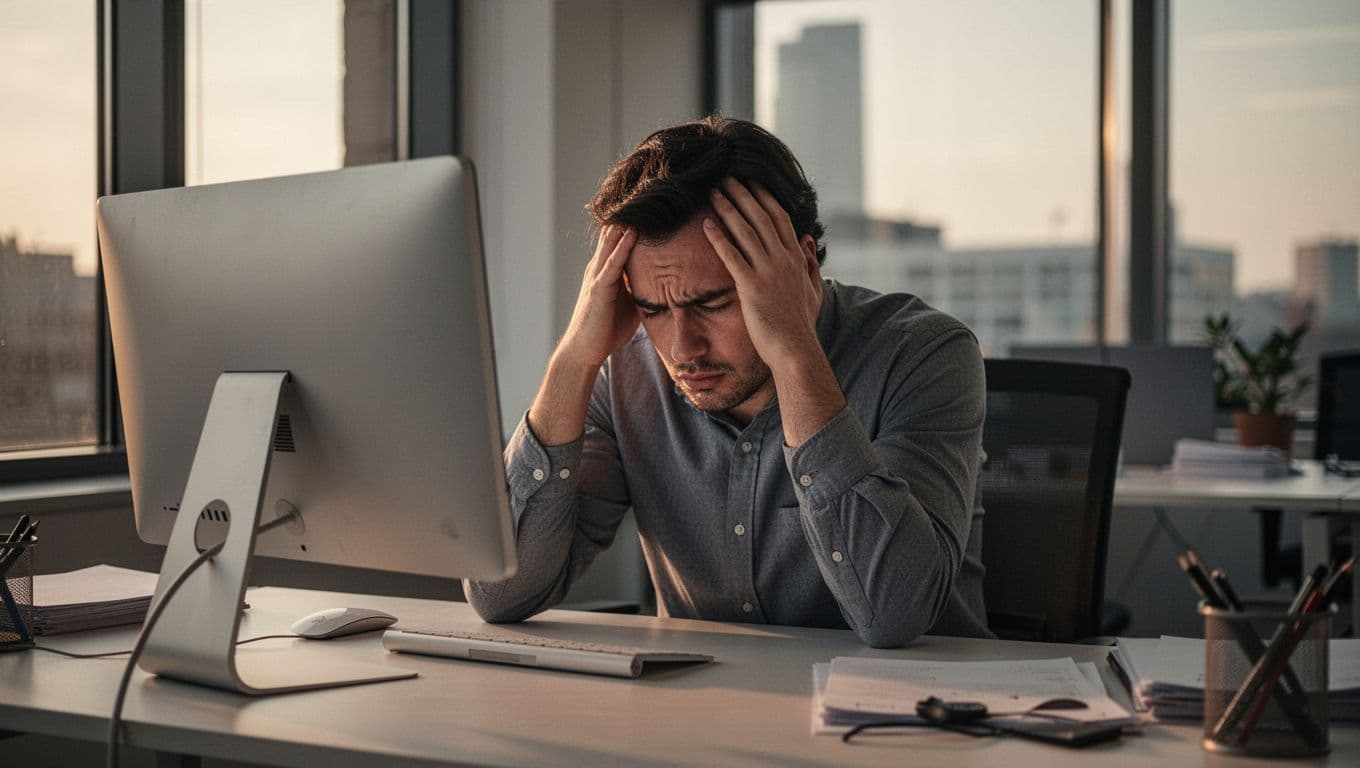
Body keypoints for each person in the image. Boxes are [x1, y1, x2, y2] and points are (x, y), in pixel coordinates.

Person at [465, 116, 989, 647]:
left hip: (918, 718)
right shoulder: (625, 374)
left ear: (799, 265)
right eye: (653, 309)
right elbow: (498, 593)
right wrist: (574, 358)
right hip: (712, 714)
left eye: (713, 304)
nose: (681, 349)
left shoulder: (924, 354)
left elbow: (894, 615)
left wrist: (793, 355)